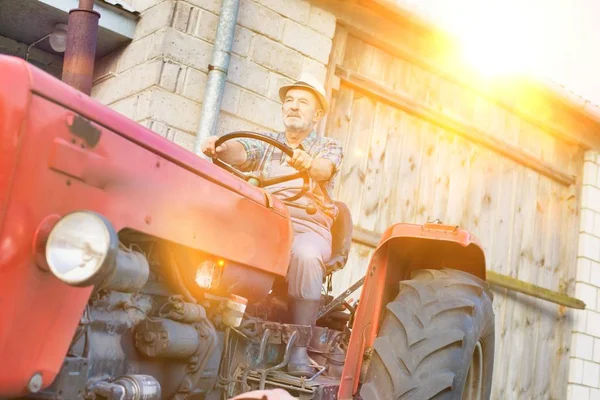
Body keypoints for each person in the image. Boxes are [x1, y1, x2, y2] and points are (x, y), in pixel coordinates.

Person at [200, 73, 343, 376]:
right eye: (289, 101)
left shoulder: (328, 146)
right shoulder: (268, 144)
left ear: (317, 115)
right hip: (266, 220)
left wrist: (308, 163)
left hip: (307, 224)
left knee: (304, 255)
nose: (293, 106)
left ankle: (299, 348)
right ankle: (211, 322)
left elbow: (323, 169)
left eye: (302, 102)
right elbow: (243, 152)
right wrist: (221, 148)